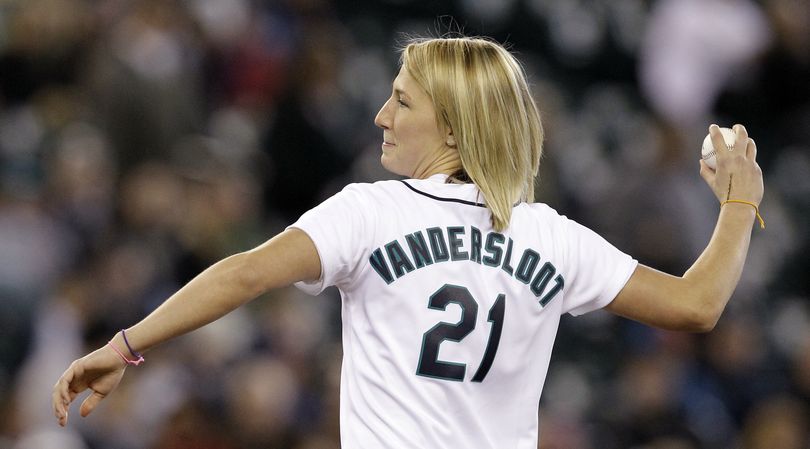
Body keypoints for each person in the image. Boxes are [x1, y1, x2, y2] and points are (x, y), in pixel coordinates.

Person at [52, 36, 764, 448]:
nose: (380, 113)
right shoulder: (548, 235)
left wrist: (124, 345)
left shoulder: (369, 212)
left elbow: (242, 275)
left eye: (403, 100)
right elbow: (698, 304)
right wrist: (739, 202)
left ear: (453, 129)